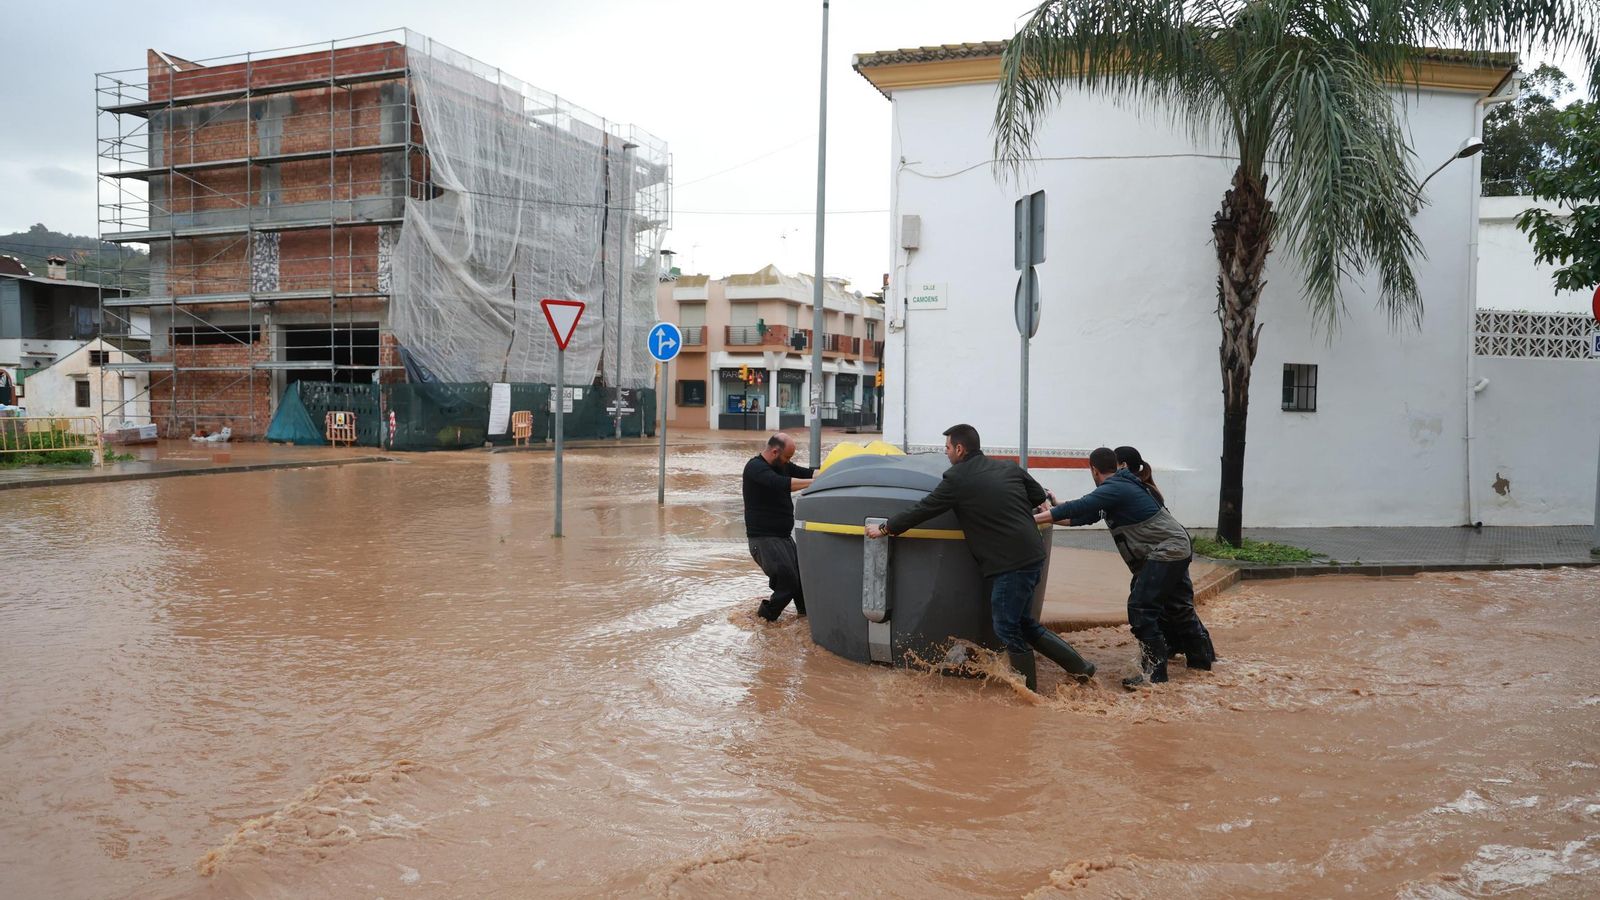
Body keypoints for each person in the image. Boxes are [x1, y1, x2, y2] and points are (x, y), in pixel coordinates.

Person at [865, 424, 1095, 692]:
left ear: (960, 449)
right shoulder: (1008, 467)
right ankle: (1081, 668)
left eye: (948, 448)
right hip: (1033, 553)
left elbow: (923, 509)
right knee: (1024, 624)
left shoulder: (957, 478)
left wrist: (884, 528)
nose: (947, 453)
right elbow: (1036, 495)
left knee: (1007, 627)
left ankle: (1029, 694)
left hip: (1009, 563)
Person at [1037, 447, 1215, 689]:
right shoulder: (1116, 489)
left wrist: (1031, 518)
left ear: (1094, 470)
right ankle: (1201, 665)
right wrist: (1051, 510)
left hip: (1168, 551)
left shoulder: (1116, 487)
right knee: (1175, 607)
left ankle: (1154, 674)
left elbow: (1079, 506)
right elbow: (1078, 516)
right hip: (1172, 549)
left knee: (1141, 607)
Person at [742, 432, 814, 621]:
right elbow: (781, 484)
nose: (788, 462)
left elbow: (809, 473)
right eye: (787, 457)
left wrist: (835, 473)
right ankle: (763, 621)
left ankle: (805, 620)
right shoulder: (755, 468)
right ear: (775, 451)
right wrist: (816, 483)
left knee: (801, 580)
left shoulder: (783, 465)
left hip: (783, 537)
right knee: (787, 583)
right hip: (764, 540)